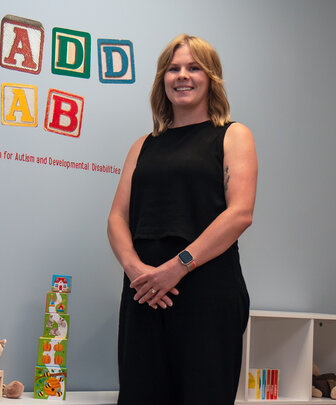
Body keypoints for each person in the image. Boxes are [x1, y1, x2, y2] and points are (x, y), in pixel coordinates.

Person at [107, 33, 257, 405]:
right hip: (143, 293)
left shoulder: (233, 135)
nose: (182, 75)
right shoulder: (143, 145)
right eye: (173, 69)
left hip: (208, 293)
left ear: (211, 79)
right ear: (163, 80)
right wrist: (136, 271)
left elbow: (239, 214)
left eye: (193, 67)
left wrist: (177, 267)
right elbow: (117, 217)